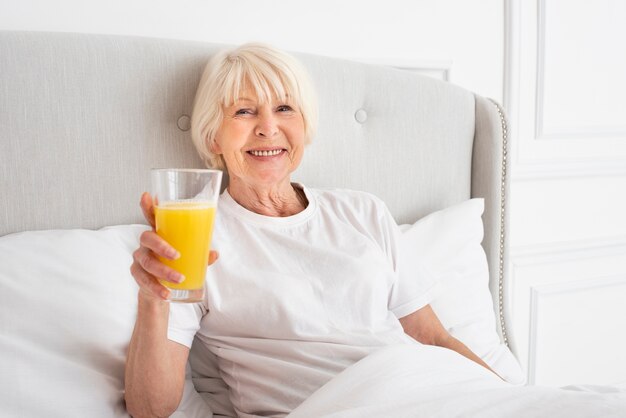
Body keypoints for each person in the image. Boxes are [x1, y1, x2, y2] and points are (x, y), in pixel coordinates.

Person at [124, 43, 500, 418]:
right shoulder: (194, 237)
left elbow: (434, 338)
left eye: (284, 108)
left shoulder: (362, 211)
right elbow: (150, 409)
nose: (268, 128)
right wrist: (153, 300)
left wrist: (504, 397)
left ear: (303, 126)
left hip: (421, 393)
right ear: (213, 137)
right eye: (244, 111)